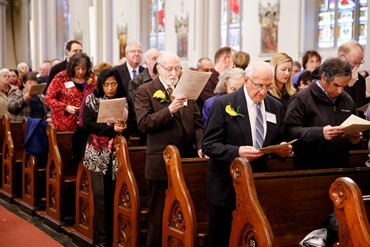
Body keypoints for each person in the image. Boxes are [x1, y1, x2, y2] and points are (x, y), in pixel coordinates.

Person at [202, 61, 292, 247]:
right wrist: (238, 151)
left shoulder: (274, 106)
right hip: (225, 183)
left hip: (257, 181)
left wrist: (282, 149)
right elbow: (209, 145)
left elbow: (277, 139)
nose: (263, 92)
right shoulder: (224, 103)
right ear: (246, 80)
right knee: (221, 237)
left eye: (268, 86)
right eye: (259, 86)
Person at [134, 51, 203, 247]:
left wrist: (199, 146)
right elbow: (144, 123)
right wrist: (169, 110)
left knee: (183, 209)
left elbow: (198, 123)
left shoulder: (187, 90)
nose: (174, 73)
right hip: (160, 161)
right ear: (159, 69)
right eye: (170, 68)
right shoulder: (145, 90)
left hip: (186, 159)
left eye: (177, 68)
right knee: (158, 212)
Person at [284, 58, 362, 170]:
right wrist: (320, 133)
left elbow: (353, 131)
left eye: (344, 86)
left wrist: (353, 139)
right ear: (324, 77)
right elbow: (290, 131)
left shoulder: (347, 100)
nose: (340, 91)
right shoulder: (301, 98)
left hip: (340, 165)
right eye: (336, 85)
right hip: (309, 167)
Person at [82, 68, 127, 247]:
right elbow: (86, 124)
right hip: (96, 152)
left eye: (113, 84)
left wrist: (123, 126)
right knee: (100, 196)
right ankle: (101, 239)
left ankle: (114, 236)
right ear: (101, 84)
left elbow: (130, 124)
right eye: (106, 84)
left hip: (116, 153)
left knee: (113, 195)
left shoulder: (123, 101)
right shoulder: (91, 99)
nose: (110, 88)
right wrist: (110, 129)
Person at [45, 52, 96, 132]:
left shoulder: (91, 78)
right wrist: (65, 107)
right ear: (72, 67)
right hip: (64, 125)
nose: (81, 72)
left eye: (84, 69)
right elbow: (49, 98)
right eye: (77, 68)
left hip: (86, 125)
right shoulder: (61, 77)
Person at [127, 48, 160, 145]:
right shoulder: (137, 81)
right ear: (146, 63)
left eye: (159, 58)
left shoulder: (164, 79)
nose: (158, 61)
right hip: (146, 129)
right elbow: (137, 108)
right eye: (154, 58)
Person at [197, 47, 234, 112]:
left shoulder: (225, 78)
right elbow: (215, 105)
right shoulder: (207, 79)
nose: (235, 64)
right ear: (225, 59)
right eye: (234, 60)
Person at [337, 40, 367, 109]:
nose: (357, 67)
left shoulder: (360, 78)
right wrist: (348, 85)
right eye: (354, 62)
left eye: (360, 63)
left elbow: (360, 105)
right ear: (341, 56)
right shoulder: (329, 76)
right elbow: (334, 105)